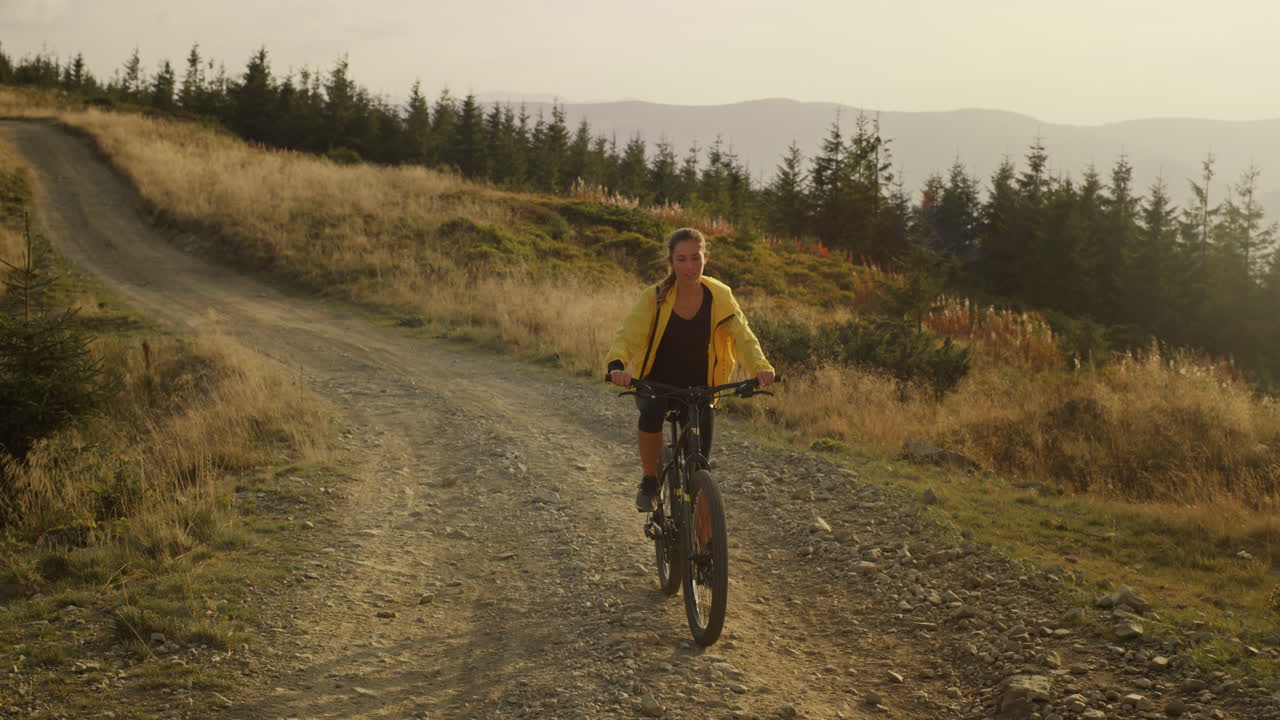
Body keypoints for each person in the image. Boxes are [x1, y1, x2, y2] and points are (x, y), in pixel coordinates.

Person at [606, 227, 775, 512]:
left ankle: (705, 549)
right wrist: (617, 365)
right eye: (681, 259)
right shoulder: (655, 296)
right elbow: (629, 334)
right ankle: (649, 480)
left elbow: (743, 335)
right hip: (657, 383)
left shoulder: (720, 296)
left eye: (695, 258)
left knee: (699, 469)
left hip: (700, 387)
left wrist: (760, 367)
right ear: (671, 262)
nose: (689, 266)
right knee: (652, 411)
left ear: (705, 258)